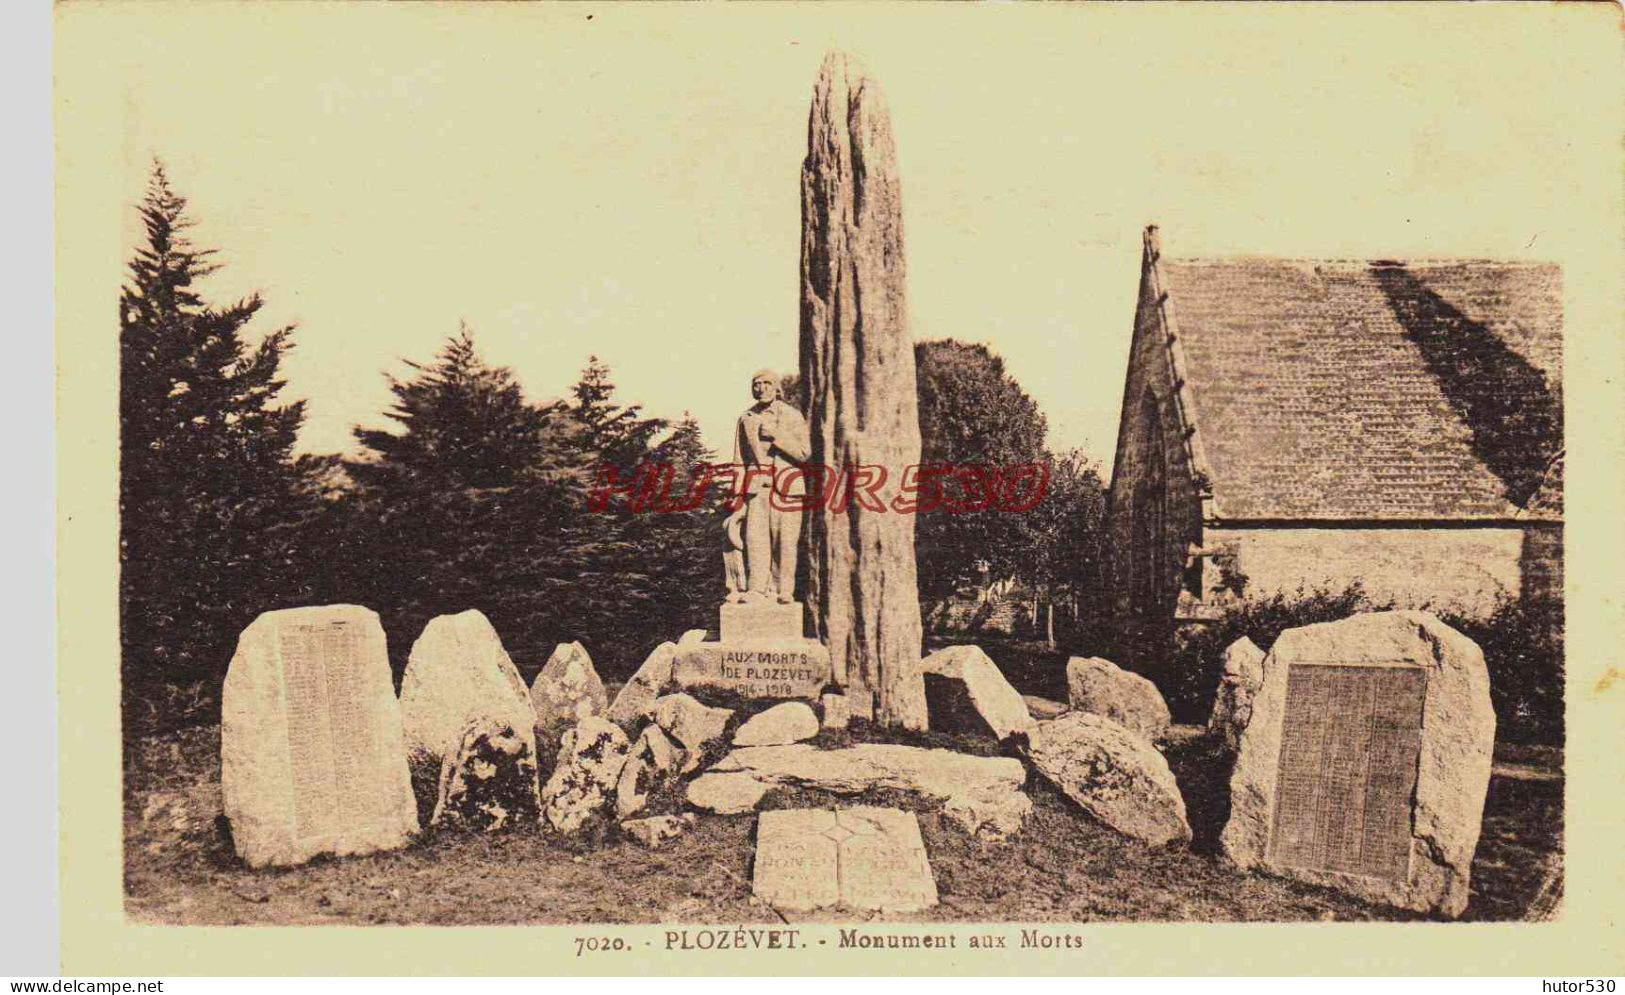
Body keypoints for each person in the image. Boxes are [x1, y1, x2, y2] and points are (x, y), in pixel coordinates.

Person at [729, 369, 809, 604]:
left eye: (766, 383)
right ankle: (756, 589)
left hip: (788, 488)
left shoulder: (792, 416)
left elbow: (804, 454)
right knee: (755, 539)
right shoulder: (746, 418)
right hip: (757, 487)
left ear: (776, 388)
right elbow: (739, 460)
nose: (761, 388)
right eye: (756, 384)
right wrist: (737, 497)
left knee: (785, 541)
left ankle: (784, 590)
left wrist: (777, 436)